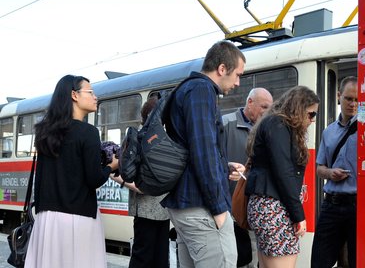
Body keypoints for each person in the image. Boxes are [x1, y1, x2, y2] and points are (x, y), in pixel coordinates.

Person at [161, 40, 247, 268]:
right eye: (237, 75)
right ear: (221, 69)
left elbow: (193, 148)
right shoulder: (201, 90)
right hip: (201, 207)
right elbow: (203, 150)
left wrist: (223, 166)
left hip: (187, 205)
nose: (238, 82)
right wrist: (219, 209)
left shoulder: (187, 88)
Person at [25, 75, 119, 268]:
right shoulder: (88, 132)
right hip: (79, 218)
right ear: (74, 95)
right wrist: (112, 166)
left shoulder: (44, 133)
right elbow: (93, 179)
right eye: (90, 92)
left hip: (46, 220)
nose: (95, 97)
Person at [245, 85, 320, 268]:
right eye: (311, 114)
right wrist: (298, 216)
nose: (312, 120)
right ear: (298, 109)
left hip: (268, 207)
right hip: (275, 209)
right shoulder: (278, 125)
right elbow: (284, 172)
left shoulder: (272, 124)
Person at [111, 95, 170, 268]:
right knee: (153, 258)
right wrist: (136, 186)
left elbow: (122, 171)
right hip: (152, 209)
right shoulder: (145, 139)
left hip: (157, 209)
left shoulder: (142, 138)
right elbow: (124, 172)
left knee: (147, 257)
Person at [222, 87, 273, 268]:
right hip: (228, 208)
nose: (267, 112)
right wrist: (228, 168)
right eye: (264, 106)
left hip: (254, 207)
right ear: (250, 102)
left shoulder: (268, 129)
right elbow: (212, 159)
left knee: (252, 257)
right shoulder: (225, 123)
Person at [311, 76, 358, 268]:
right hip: (332, 204)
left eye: (357, 100)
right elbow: (319, 168)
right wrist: (330, 174)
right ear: (339, 96)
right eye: (348, 98)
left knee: (359, 261)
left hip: (359, 206)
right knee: (320, 261)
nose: (353, 104)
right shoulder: (328, 132)